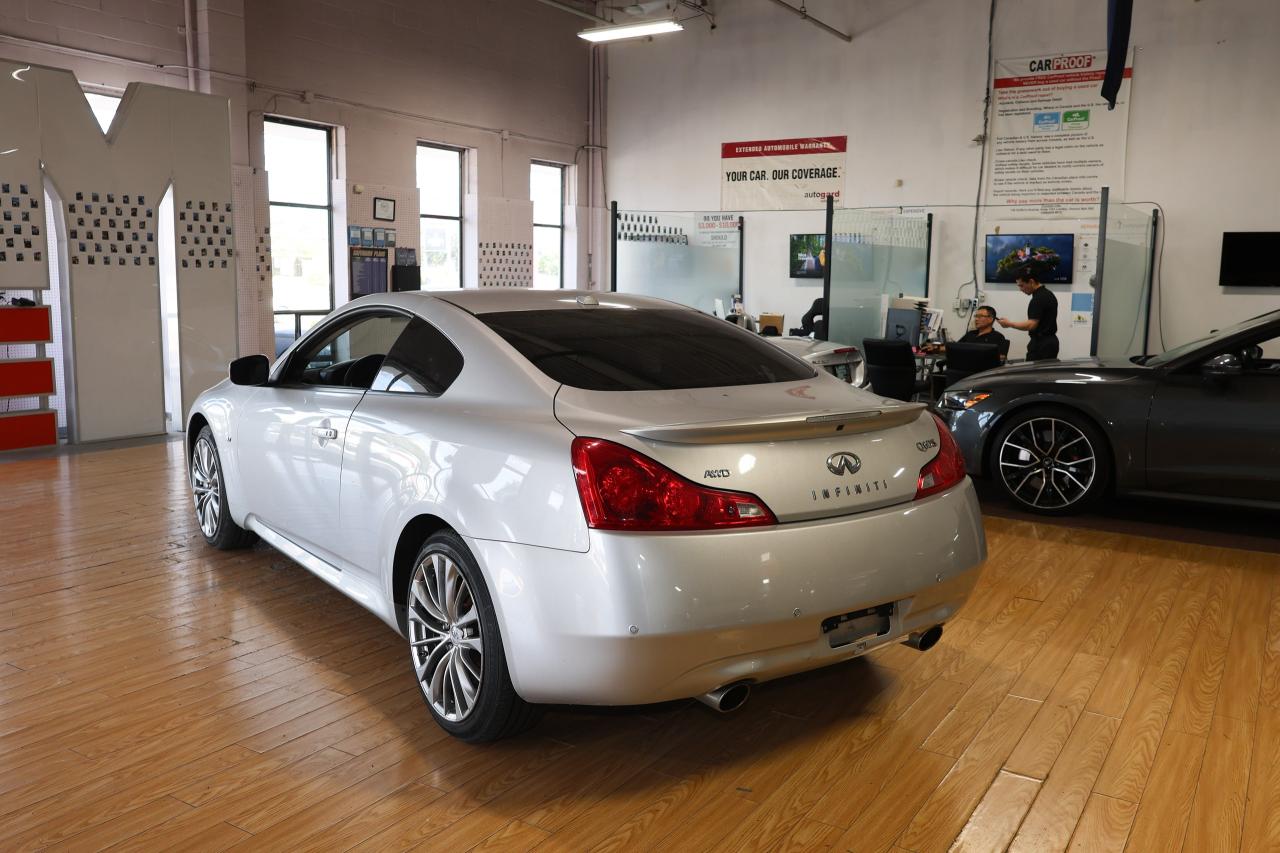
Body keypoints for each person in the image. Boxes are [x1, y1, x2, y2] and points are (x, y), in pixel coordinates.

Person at [999, 271, 1059, 360]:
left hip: (1042, 344)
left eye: (1022, 285)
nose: (1020, 289)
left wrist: (1009, 324)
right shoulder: (1047, 294)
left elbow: (1031, 325)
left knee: (1034, 373)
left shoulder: (1038, 299)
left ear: (1031, 282)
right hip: (1049, 342)